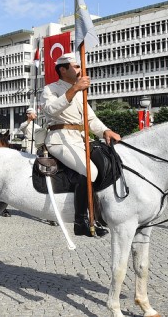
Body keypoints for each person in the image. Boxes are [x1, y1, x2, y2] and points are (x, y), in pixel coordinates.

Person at [40, 53, 121, 237]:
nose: (80, 70)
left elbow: (90, 119)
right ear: (63, 69)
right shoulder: (50, 89)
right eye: (76, 66)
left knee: (108, 162)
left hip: (81, 139)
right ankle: (81, 221)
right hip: (59, 138)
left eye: (79, 66)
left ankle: (103, 211)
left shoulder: (80, 91)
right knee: (90, 171)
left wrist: (106, 130)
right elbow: (50, 110)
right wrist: (74, 89)